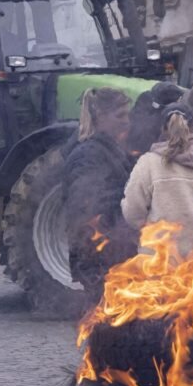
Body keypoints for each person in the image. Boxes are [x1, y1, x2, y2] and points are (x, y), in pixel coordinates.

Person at [64, 87, 137, 305]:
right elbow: (86, 206)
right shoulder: (89, 154)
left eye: (128, 115)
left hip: (112, 252)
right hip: (99, 257)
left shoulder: (111, 149)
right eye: (120, 115)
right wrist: (128, 199)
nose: (127, 122)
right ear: (101, 117)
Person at [121, 104, 193, 256]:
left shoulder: (149, 162)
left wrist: (147, 230)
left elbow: (132, 212)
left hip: (157, 260)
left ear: (162, 129)